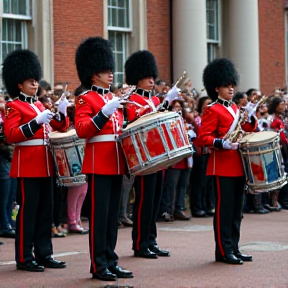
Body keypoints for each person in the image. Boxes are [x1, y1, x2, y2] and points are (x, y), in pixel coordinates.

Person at [2, 49, 69, 272]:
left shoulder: (39, 105)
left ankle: (44, 253)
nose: (35, 83)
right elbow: (12, 135)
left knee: (44, 212)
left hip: (45, 165)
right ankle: (24, 257)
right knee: (27, 213)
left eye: (35, 79)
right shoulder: (14, 106)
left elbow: (59, 126)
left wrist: (60, 112)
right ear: (19, 84)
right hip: (27, 166)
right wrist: (36, 122)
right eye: (30, 80)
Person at [74, 36, 133, 281]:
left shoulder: (112, 99)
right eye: (104, 70)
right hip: (99, 163)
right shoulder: (85, 98)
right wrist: (103, 114)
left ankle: (110, 259)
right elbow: (82, 129)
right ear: (92, 73)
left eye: (110, 69)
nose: (110, 73)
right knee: (99, 218)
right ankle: (98, 265)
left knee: (111, 217)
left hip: (117, 162)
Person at [196, 58, 257, 265]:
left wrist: (251, 119)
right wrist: (222, 143)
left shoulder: (235, 109)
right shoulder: (212, 109)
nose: (231, 88)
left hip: (238, 165)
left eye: (232, 85)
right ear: (217, 88)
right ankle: (223, 250)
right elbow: (203, 138)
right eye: (226, 85)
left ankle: (234, 248)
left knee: (236, 211)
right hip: (222, 166)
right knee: (224, 210)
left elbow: (246, 131)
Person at [124, 50, 172, 259]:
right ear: (138, 78)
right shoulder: (133, 100)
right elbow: (134, 122)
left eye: (153, 76)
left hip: (158, 155)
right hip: (143, 158)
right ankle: (140, 243)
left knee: (154, 201)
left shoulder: (153, 99)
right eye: (147, 76)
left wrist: (166, 106)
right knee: (143, 202)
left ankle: (151, 240)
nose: (152, 80)